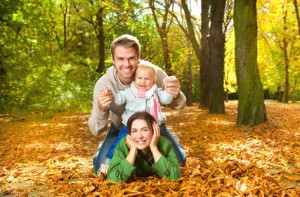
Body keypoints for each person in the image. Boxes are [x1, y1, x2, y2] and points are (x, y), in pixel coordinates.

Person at [88, 34, 186, 175]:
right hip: (122, 128)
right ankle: (109, 148)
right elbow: (96, 130)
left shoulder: (152, 73)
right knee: (103, 167)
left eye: (131, 58)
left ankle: (167, 145)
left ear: (138, 57)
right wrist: (101, 108)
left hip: (154, 126)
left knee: (179, 163)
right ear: (113, 60)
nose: (126, 64)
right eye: (120, 59)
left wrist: (175, 94)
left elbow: (179, 105)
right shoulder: (104, 84)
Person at [104, 61, 174, 169]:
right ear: (135, 79)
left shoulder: (156, 92)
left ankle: (161, 165)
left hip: (151, 126)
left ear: (154, 80)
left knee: (160, 145)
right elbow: (118, 99)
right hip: (129, 126)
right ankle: (108, 164)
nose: (142, 81)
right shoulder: (130, 91)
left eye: (147, 79)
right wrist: (110, 95)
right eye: (140, 78)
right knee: (119, 144)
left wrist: (169, 91)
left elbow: (166, 100)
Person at [107, 112, 182, 182]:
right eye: (134, 131)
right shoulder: (123, 146)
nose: (139, 136)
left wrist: (154, 148)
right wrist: (133, 151)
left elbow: (175, 178)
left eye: (145, 130)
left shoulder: (165, 144)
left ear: (154, 131)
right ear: (129, 134)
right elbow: (112, 181)